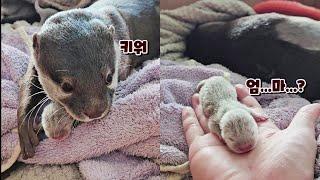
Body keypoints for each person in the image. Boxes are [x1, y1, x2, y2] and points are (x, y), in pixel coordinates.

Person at [182, 84, 320, 180]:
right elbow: (212, 124)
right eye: (232, 140)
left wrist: (256, 114)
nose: (244, 146)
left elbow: (247, 110)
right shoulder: (216, 121)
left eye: (251, 134)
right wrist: (218, 134)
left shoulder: (243, 110)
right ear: (222, 131)